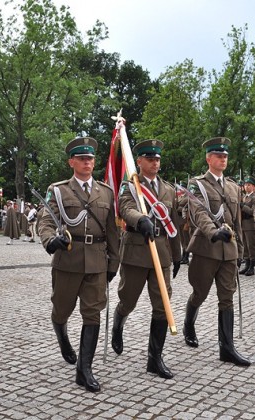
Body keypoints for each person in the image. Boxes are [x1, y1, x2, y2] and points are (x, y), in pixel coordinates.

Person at [37, 136, 120, 392]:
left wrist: (113, 263)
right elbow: (46, 220)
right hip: (68, 259)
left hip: (96, 260)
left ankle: (84, 370)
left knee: (92, 314)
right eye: (82, 158)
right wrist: (51, 240)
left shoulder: (105, 191)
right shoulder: (59, 190)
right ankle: (62, 335)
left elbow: (113, 232)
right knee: (61, 310)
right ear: (71, 162)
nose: (87, 162)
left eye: (90, 158)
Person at [112, 140, 182, 379]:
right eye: (149, 159)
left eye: (157, 159)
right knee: (128, 300)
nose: (155, 163)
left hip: (161, 253)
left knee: (163, 306)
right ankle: (119, 321)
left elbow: (173, 224)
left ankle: (155, 359)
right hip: (136, 253)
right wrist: (140, 218)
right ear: (139, 161)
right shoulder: (130, 186)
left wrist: (178, 253)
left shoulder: (168, 189)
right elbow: (125, 208)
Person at [183, 137, 250, 367]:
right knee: (200, 293)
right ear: (208, 159)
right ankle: (189, 323)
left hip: (228, 250)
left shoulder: (233, 187)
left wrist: (239, 249)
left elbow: (237, 220)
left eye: (225, 156)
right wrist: (213, 232)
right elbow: (199, 213)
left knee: (226, 297)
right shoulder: (197, 184)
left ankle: (227, 348)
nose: (223, 159)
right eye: (218, 156)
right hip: (206, 248)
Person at [239, 177, 255, 276]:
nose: (246, 187)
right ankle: (247, 264)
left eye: (249, 185)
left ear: (253, 187)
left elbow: (253, 211)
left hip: (250, 223)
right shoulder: (243, 197)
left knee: (251, 245)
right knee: (244, 245)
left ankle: (252, 266)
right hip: (242, 224)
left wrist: (243, 206)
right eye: (245, 185)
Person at [177, 181, 191, 264]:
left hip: (185, 220)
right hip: (179, 220)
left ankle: (186, 256)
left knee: (187, 239)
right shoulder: (179, 196)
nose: (180, 189)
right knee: (182, 240)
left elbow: (188, 209)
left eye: (182, 187)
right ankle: (183, 256)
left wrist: (188, 222)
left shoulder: (188, 197)